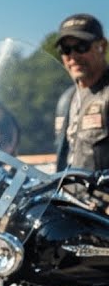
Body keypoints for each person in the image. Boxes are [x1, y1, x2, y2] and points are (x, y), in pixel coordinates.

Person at [54, 13, 109, 172]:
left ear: (102, 46)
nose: (73, 56)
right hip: (67, 195)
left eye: (81, 46)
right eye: (66, 49)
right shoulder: (66, 99)